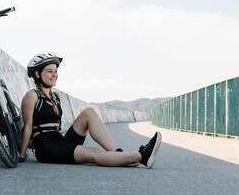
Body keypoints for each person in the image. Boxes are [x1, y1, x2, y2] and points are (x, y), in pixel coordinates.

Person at [19, 53, 162, 168]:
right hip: (47, 148)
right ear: (37, 74)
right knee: (93, 153)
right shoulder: (31, 96)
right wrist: (22, 154)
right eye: (50, 71)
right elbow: (28, 127)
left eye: (56, 71)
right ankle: (142, 156)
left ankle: (116, 154)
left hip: (60, 141)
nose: (55, 74)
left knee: (88, 112)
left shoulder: (56, 97)